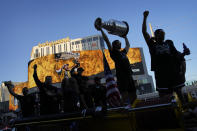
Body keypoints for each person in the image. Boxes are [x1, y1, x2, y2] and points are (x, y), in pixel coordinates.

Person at [142, 11, 190, 101]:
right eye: (160, 33)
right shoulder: (152, 45)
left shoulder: (169, 43)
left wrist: (184, 53)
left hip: (173, 71)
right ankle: (169, 111)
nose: (163, 35)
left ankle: (184, 109)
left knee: (179, 92)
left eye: (164, 33)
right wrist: (145, 17)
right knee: (164, 96)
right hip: (161, 73)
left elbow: (176, 55)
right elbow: (144, 32)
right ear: (155, 35)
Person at [96, 26, 137, 106]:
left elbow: (128, 45)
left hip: (129, 75)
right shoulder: (113, 52)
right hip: (122, 77)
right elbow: (107, 40)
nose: (120, 44)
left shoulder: (123, 52)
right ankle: (122, 109)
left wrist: (125, 37)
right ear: (114, 45)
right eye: (118, 43)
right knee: (124, 96)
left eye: (120, 43)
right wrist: (101, 29)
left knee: (133, 95)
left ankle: (132, 109)